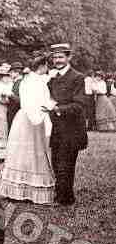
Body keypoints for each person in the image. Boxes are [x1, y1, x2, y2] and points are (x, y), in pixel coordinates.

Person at [0, 55, 56, 204]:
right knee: (33, 150)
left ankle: (17, 185)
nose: (47, 69)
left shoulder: (26, 80)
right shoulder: (39, 82)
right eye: (46, 66)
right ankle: (29, 187)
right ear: (42, 66)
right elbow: (41, 101)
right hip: (32, 118)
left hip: (22, 117)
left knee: (20, 150)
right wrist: (50, 106)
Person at [43, 43, 88, 206]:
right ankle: (63, 195)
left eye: (61, 56)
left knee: (66, 164)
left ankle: (64, 198)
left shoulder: (78, 77)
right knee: (56, 162)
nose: (57, 60)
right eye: (54, 57)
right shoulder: (52, 77)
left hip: (72, 129)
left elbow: (79, 105)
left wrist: (57, 109)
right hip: (57, 128)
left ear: (69, 58)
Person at [7, 62, 24, 132]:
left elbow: (21, 100)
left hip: (16, 112)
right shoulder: (16, 82)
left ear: (17, 73)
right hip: (13, 111)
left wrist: (10, 94)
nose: (10, 75)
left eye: (11, 72)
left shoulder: (20, 83)